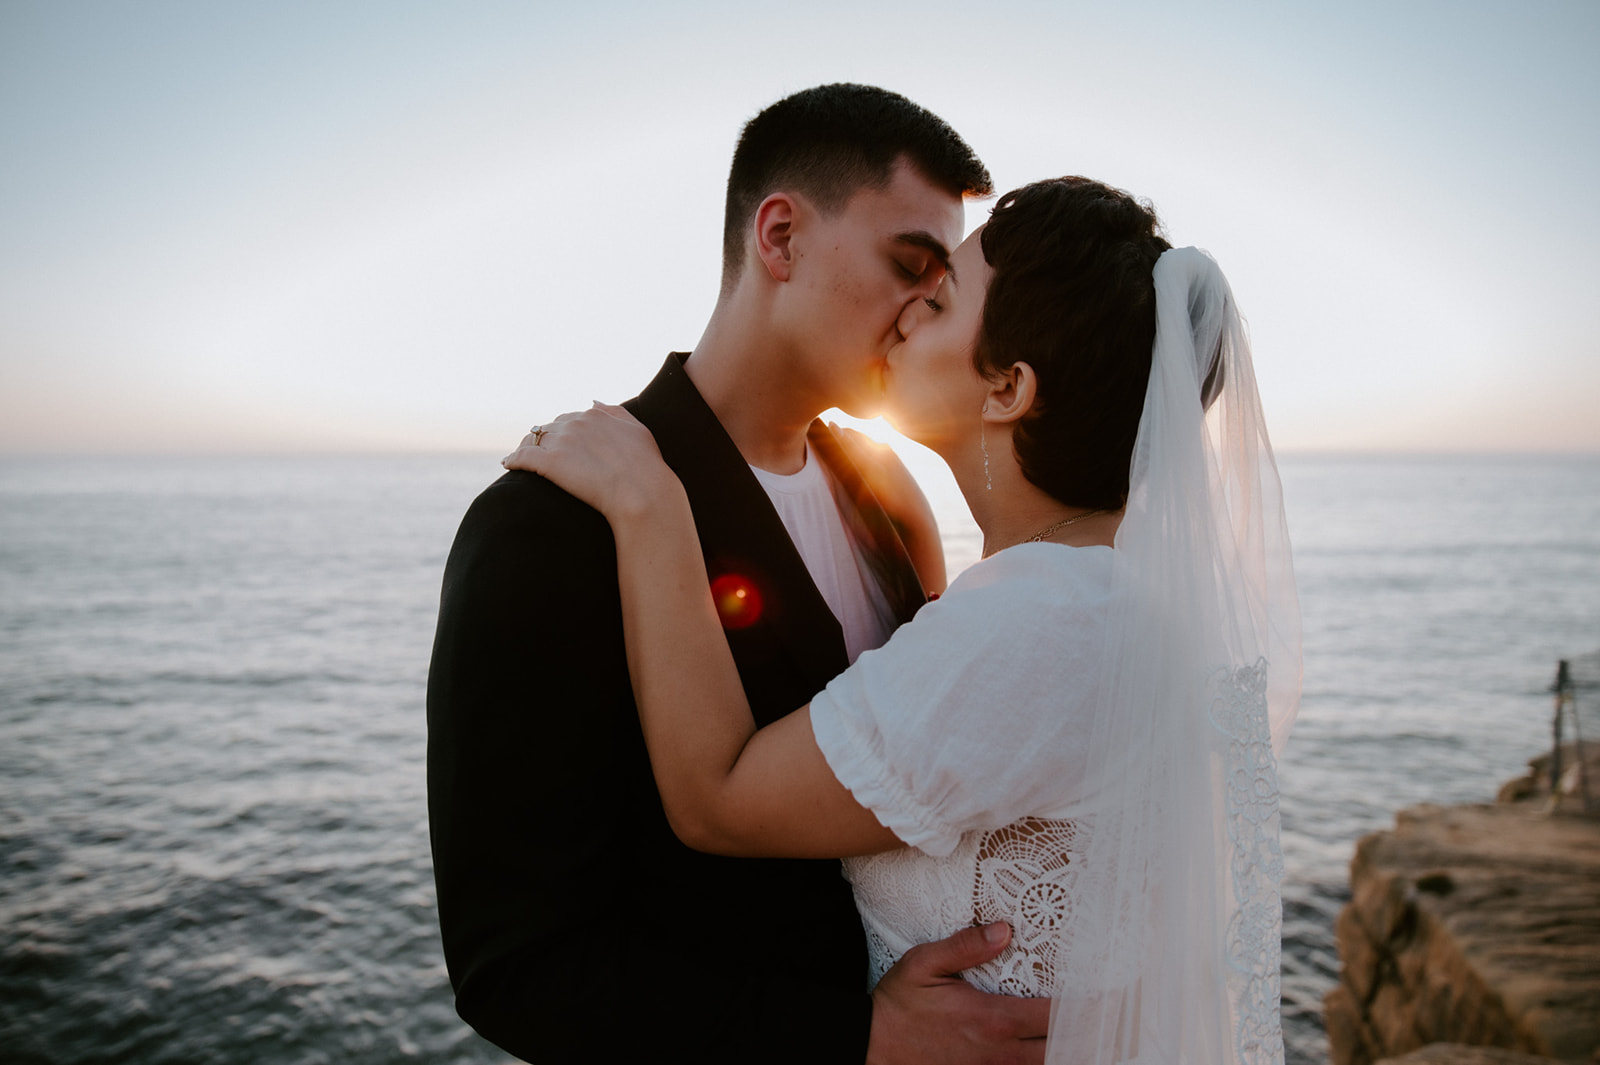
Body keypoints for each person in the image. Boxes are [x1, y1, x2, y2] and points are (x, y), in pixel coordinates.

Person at [505, 177, 1303, 1064]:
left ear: (1006, 387)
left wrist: (652, 505)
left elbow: (718, 798)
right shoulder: (1101, 597)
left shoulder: (1032, 620)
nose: (907, 314)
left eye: (941, 298)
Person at [427, 83, 1056, 1065]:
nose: (921, 312)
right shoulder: (548, 526)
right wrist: (857, 1037)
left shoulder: (889, 496)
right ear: (779, 238)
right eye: (907, 265)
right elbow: (516, 965)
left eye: (940, 289)